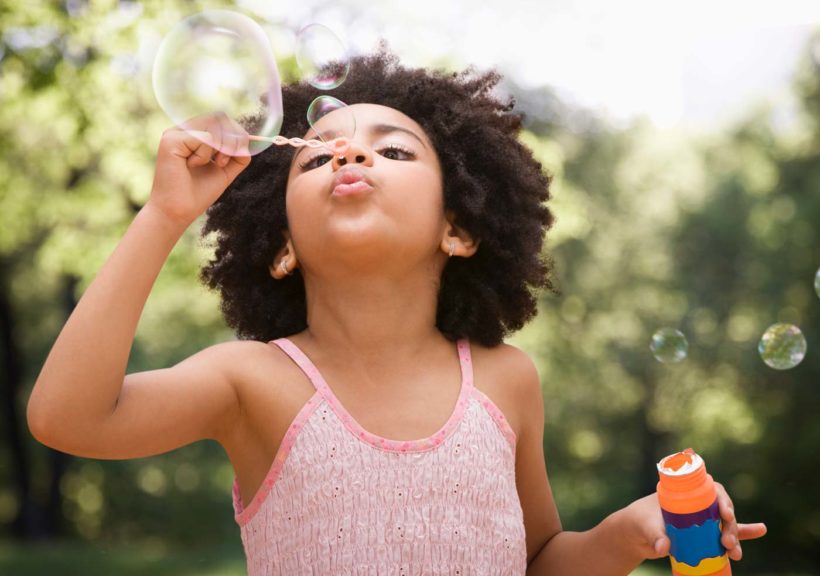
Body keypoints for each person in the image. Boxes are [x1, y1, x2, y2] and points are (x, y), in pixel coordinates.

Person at [27, 48, 766, 575]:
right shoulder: (251, 381)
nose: (349, 158)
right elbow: (67, 417)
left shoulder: (506, 382)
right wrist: (164, 213)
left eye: (395, 152)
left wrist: (624, 534)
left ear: (460, 228)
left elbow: (537, 562)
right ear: (280, 245)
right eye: (317, 157)